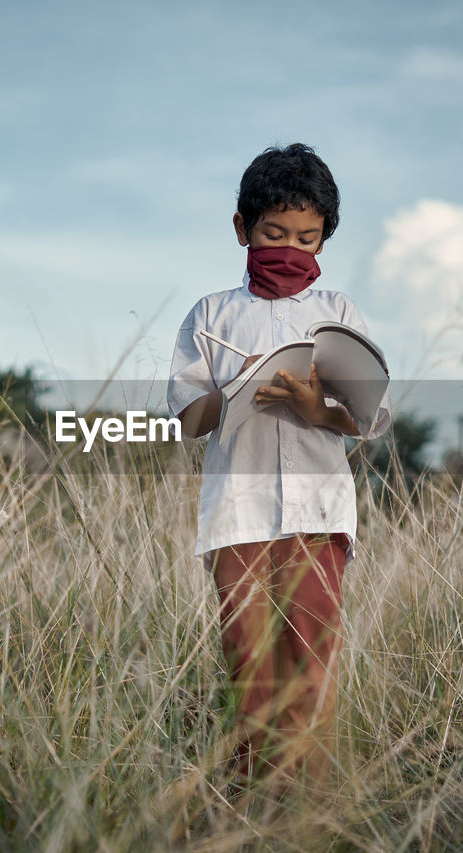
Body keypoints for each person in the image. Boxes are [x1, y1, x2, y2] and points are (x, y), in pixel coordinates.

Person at [166, 143, 391, 794]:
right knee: (249, 660)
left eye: (307, 238)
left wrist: (314, 404)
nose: (290, 249)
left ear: (325, 240)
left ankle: (309, 803)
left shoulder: (340, 313)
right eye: (274, 233)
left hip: (319, 514)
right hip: (236, 515)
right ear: (242, 227)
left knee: (311, 657)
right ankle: (251, 799)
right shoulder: (209, 316)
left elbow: (370, 418)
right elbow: (185, 419)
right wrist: (233, 390)